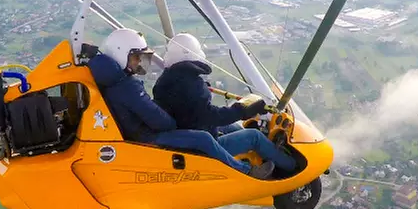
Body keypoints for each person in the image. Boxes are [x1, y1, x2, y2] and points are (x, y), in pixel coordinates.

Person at [87, 28, 275, 179]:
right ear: (121, 54)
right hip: (144, 137)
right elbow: (161, 122)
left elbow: (144, 109)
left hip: (138, 131)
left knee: (213, 131)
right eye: (136, 57)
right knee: (203, 138)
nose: (139, 62)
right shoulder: (126, 86)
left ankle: (252, 154)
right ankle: (246, 171)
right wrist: (175, 124)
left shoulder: (113, 80)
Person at [154, 33, 297, 174]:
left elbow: (193, 108)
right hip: (200, 143)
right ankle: (293, 168)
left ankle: (265, 156)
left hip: (188, 130)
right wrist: (242, 110)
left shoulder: (167, 80)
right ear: (190, 54)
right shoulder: (190, 84)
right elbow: (211, 116)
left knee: (232, 127)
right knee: (255, 136)